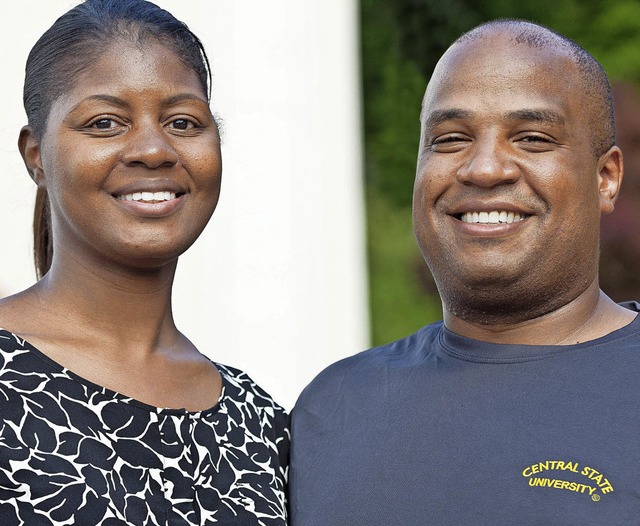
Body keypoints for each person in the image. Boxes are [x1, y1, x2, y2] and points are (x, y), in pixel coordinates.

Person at [290, 19, 640, 524]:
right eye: (450, 138)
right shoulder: (333, 407)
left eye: (532, 138)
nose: (484, 168)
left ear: (605, 179)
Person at [0, 1, 288, 524]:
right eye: (106, 122)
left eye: (183, 121)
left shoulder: (262, 425)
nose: (154, 150)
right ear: (35, 154)